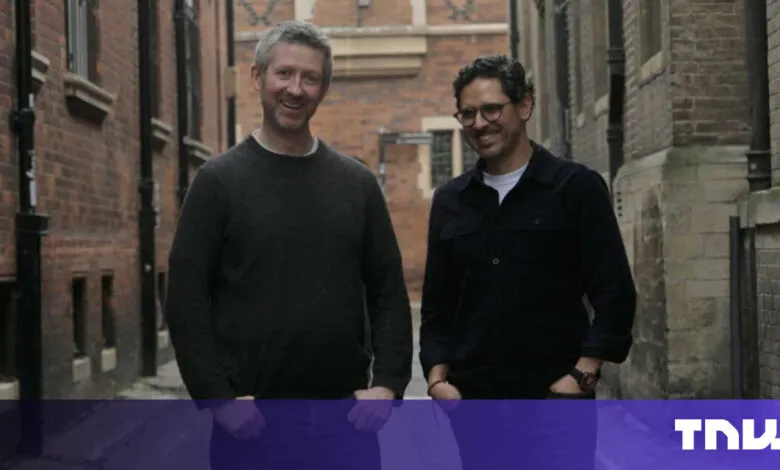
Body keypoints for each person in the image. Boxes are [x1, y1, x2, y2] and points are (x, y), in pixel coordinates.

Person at [165, 20, 413, 470]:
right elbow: (185, 298)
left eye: (310, 78)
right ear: (258, 77)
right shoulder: (218, 182)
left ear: (323, 88)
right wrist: (218, 399)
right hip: (252, 421)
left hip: (347, 422)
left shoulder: (355, 184)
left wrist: (389, 384)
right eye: (284, 74)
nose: (295, 89)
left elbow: (388, 293)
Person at [418, 54, 637, 469]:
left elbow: (615, 292)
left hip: (555, 403)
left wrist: (581, 376)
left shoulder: (575, 188)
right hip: (475, 407)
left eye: (491, 109)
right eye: (467, 113)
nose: (479, 123)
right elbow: (437, 306)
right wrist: (437, 380)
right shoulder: (451, 202)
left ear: (524, 106)